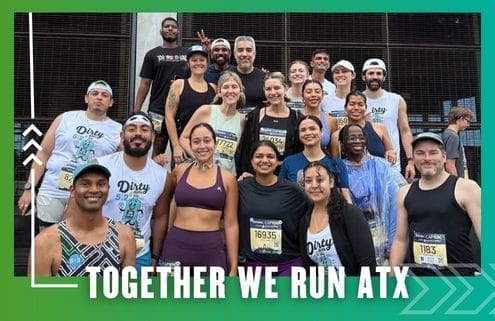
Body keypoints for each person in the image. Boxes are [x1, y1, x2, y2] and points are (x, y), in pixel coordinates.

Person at [17, 80, 122, 228]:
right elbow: (43, 154)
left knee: (78, 243)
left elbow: (125, 163)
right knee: (48, 241)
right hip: (52, 191)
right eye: (95, 93)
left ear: (111, 102)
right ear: (86, 98)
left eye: (104, 95)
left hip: (89, 195)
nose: (99, 97)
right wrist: (29, 188)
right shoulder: (65, 118)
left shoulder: (118, 130)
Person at [389, 132, 481, 276]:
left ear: (444, 157)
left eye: (433, 153)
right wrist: (391, 278)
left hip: (460, 280)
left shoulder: (466, 188)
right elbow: (400, 239)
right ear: (414, 158)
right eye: (420, 153)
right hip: (420, 282)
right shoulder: (404, 193)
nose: (427, 158)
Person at [28, 163, 136, 276]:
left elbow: (127, 290)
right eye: (85, 184)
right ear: (73, 191)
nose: (94, 189)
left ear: (108, 189)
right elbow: (38, 293)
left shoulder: (125, 236)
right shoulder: (45, 242)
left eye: (101, 184)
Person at [96, 112, 171, 271]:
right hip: (99, 251)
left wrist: (155, 256)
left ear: (152, 137)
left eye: (144, 129)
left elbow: (161, 217)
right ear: (122, 136)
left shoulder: (163, 177)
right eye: (132, 129)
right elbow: (77, 209)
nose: (138, 133)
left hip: (139, 255)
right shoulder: (100, 166)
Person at [161, 123, 238, 276]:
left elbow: (231, 224)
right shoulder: (179, 172)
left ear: (215, 144)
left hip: (210, 250)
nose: (202, 146)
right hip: (176, 246)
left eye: (207, 140)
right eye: (196, 141)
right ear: (190, 145)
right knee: (169, 297)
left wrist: (234, 265)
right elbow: (167, 208)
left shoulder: (228, 179)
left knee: (211, 299)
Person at [238, 141, 312, 276]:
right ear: (251, 160)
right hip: (253, 265)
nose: (264, 160)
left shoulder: (293, 190)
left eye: (270, 156)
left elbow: (313, 215)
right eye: (259, 156)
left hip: (289, 264)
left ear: (278, 161)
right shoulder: (240, 188)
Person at [339, 124, 406, 265]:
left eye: (361, 137)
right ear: (342, 144)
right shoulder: (338, 170)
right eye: (351, 138)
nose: (357, 141)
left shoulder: (382, 167)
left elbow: (395, 206)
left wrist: (391, 245)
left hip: (384, 241)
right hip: (354, 243)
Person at [299, 161, 376, 276]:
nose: (314, 185)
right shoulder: (304, 221)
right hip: (321, 291)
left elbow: (367, 263)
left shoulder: (349, 214)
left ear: (331, 182)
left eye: (320, 180)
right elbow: (308, 267)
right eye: (308, 181)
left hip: (352, 289)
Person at [133, 17, 188, 157]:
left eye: (173, 27)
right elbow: (145, 84)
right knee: (158, 148)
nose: (170, 29)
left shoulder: (187, 54)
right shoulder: (152, 54)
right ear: (161, 31)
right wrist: (136, 111)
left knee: (181, 151)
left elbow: (198, 74)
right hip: (158, 109)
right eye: (167, 26)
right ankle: (154, 178)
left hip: (182, 109)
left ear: (178, 31)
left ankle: (178, 179)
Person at [179, 71, 246, 176]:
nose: (230, 91)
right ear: (219, 92)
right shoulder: (206, 111)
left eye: (234, 87)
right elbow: (184, 138)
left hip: (227, 176)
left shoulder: (242, 120)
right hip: (202, 172)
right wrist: (198, 158)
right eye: (225, 87)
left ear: (240, 91)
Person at [238, 72, 303, 175]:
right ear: (264, 91)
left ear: (285, 89)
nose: (273, 93)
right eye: (268, 89)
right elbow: (246, 150)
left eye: (277, 88)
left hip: (285, 176)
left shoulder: (297, 118)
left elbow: (299, 152)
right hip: (258, 175)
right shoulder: (255, 116)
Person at [362, 58, 415, 181]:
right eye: (370, 73)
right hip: (363, 165)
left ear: (384, 77)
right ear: (363, 77)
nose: (375, 77)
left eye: (379, 73)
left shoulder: (396, 100)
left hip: (391, 165)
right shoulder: (356, 100)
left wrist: (411, 161)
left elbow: (405, 131)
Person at [279, 115, 351, 203]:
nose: (308, 133)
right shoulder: (289, 162)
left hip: (330, 214)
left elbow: (346, 196)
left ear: (321, 132)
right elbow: (281, 194)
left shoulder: (336, 163)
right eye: (303, 130)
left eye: (312, 128)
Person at [165, 45, 216, 166]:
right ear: (188, 63)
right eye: (194, 60)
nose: (198, 63)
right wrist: (176, 145)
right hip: (184, 147)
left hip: (206, 148)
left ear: (207, 63)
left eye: (202, 60)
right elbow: (169, 116)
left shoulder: (213, 88)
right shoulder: (179, 84)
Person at [330, 90, 396, 164]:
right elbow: (336, 165)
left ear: (366, 108)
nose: (356, 108)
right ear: (345, 108)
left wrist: (391, 154)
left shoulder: (380, 128)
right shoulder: (336, 136)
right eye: (352, 104)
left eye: (360, 104)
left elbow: (391, 153)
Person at [321, 60, 363, 129]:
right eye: (337, 72)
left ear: (353, 75)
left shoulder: (361, 100)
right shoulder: (324, 100)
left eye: (344, 71)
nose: (340, 75)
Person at [228, 36, 267, 111]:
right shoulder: (225, 77)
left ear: (254, 54)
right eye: (240, 50)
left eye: (249, 50)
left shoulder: (265, 78)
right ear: (235, 54)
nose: (244, 54)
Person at [299, 79, 337, 152]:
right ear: (302, 96)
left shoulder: (331, 120)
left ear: (322, 95)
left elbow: (333, 150)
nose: (313, 95)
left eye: (317, 91)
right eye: (309, 92)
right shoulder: (295, 117)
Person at [442, 106, 473, 177]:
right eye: (467, 121)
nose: (468, 125)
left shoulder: (446, 134)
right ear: (461, 119)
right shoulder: (453, 136)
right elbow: (450, 165)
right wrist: (457, 183)